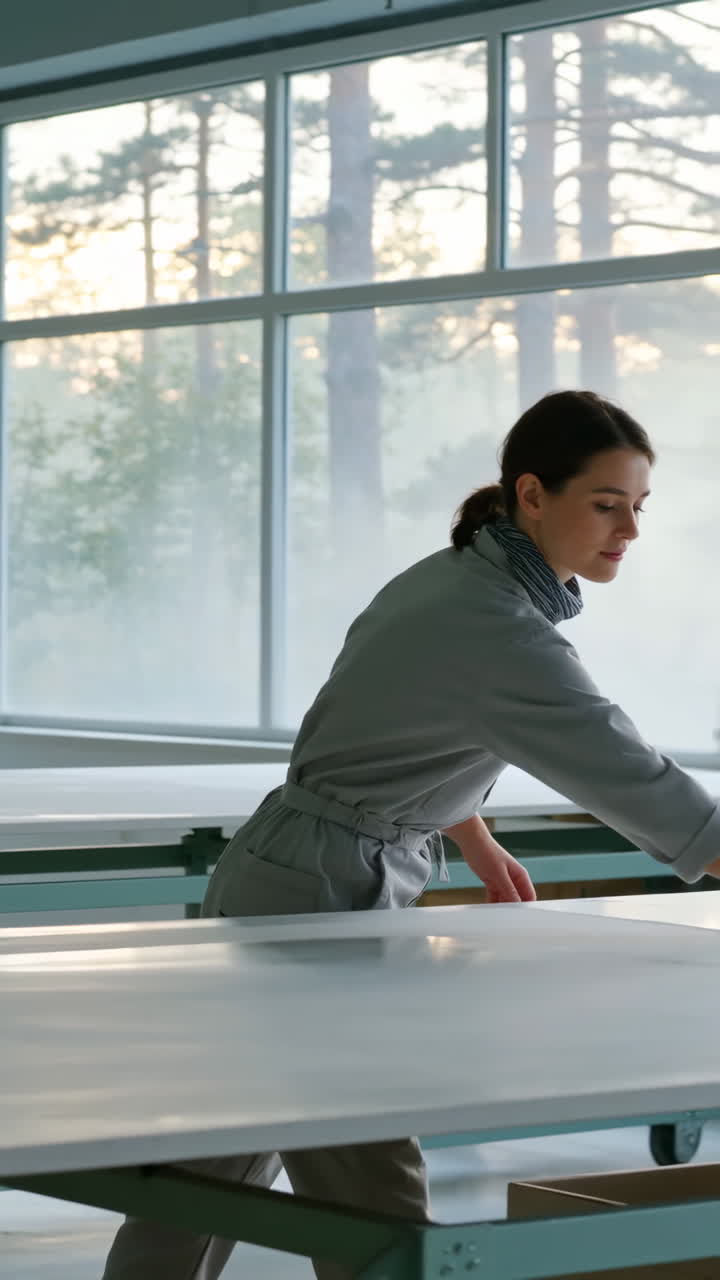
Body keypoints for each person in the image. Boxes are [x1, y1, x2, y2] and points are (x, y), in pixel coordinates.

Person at [102, 388, 720, 1280]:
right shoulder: (497, 625)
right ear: (533, 494)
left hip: (304, 871)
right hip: (313, 898)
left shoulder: (459, 577)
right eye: (606, 504)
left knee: (211, 1165)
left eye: (638, 507)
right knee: (370, 1192)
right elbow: (636, 775)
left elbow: (393, 718)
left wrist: (467, 832)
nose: (628, 529)